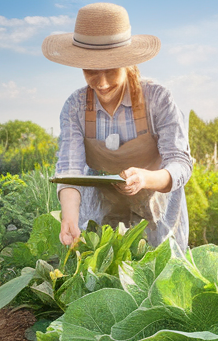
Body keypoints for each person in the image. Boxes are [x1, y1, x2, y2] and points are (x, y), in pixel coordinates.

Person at [43, 2, 193, 252]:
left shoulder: (157, 99)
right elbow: (70, 168)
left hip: (159, 213)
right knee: (107, 277)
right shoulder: (76, 106)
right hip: (102, 212)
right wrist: (69, 216)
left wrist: (144, 178)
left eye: (111, 70)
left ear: (127, 62)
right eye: (91, 70)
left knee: (158, 281)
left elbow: (180, 164)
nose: (101, 83)